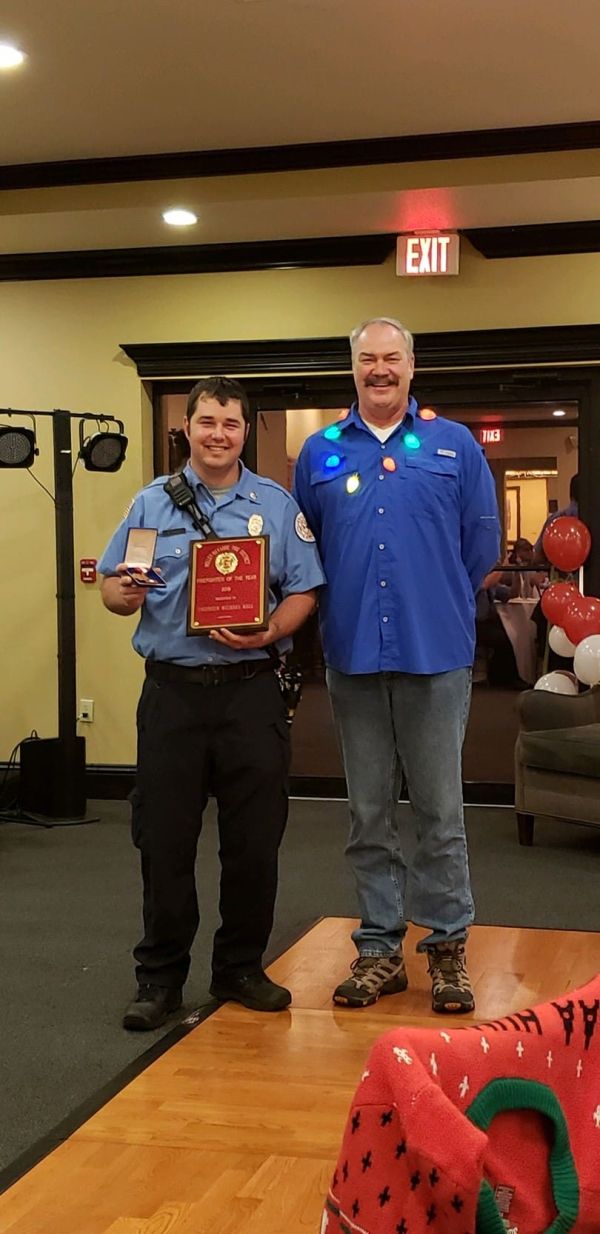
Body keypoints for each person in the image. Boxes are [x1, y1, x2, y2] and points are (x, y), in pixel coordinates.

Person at [99, 376, 325, 1029]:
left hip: (250, 693)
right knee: (164, 842)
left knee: (254, 842)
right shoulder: (152, 504)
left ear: (245, 431)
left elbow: (305, 590)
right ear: (188, 429)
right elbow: (114, 588)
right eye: (207, 422)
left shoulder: (275, 506)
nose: (218, 434)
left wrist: (271, 630)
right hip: (172, 696)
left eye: (230, 423)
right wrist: (124, 593)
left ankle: (239, 969)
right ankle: (160, 979)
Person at [293, 317, 500, 1014]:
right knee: (368, 812)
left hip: (435, 652)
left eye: (391, 357)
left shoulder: (455, 445)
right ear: (353, 368)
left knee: (440, 810)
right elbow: (306, 551)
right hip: (352, 652)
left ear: (412, 366)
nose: (379, 369)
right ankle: (380, 950)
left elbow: (481, 545)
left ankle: (446, 949)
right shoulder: (319, 451)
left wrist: (433, 597)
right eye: (367, 359)